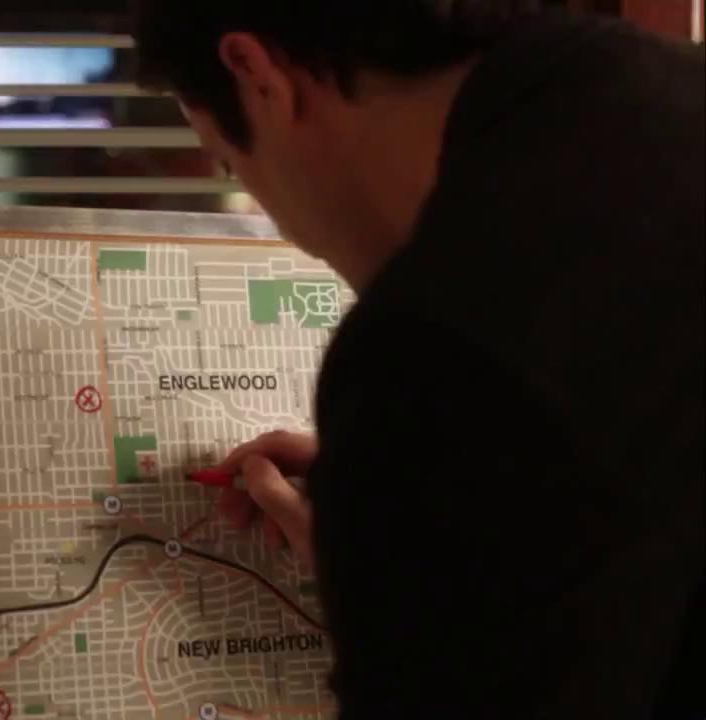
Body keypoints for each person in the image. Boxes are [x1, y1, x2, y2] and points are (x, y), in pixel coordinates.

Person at [133, 2, 704, 718]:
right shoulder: (669, 95)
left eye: (230, 162)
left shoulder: (438, 339)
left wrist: (402, 542)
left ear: (256, 74)